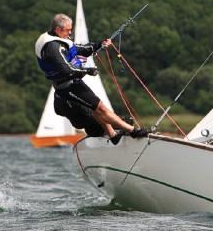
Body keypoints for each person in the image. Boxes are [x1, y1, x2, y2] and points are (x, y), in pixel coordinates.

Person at [35, 13, 148, 144]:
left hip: (72, 83)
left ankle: (113, 135)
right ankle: (133, 131)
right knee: (101, 109)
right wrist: (87, 70)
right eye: (68, 30)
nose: (70, 33)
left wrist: (99, 44)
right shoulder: (52, 47)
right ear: (58, 30)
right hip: (68, 86)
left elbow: (79, 49)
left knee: (96, 108)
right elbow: (66, 70)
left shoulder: (56, 39)